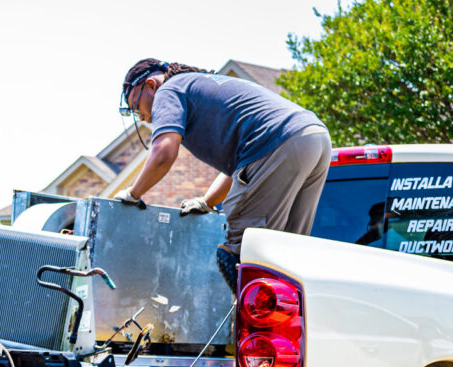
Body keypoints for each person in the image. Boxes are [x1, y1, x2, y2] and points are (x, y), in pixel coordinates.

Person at [114, 58, 332, 292]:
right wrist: (207, 202)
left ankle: (251, 326)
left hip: (277, 143)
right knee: (284, 259)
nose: (142, 118)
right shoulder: (198, 86)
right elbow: (242, 169)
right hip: (315, 137)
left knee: (242, 254)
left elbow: (163, 153)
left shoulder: (168, 90)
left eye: (137, 107)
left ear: (150, 85)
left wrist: (132, 194)